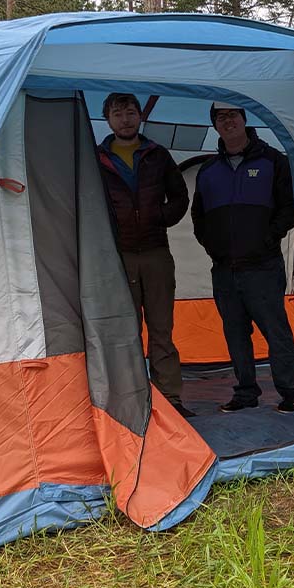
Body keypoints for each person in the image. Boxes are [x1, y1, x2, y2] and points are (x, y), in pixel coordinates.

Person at [191, 102, 294, 414]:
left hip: (263, 266)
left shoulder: (273, 162)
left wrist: (269, 237)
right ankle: (245, 392)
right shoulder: (208, 171)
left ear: (245, 119)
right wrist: (212, 246)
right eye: (220, 117)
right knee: (235, 333)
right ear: (215, 125)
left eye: (232, 115)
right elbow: (199, 218)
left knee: (276, 330)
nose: (227, 121)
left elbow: (291, 206)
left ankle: (291, 392)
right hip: (224, 269)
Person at [96, 93, 193, 417]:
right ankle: (133, 400)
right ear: (107, 119)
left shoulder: (157, 155)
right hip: (117, 257)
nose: (125, 118)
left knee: (162, 329)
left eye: (130, 112)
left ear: (140, 116)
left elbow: (179, 196)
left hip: (155, 253)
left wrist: (160, 218)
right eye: (118, 113)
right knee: (125, 330)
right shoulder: (96, 159)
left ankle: (171, 399)